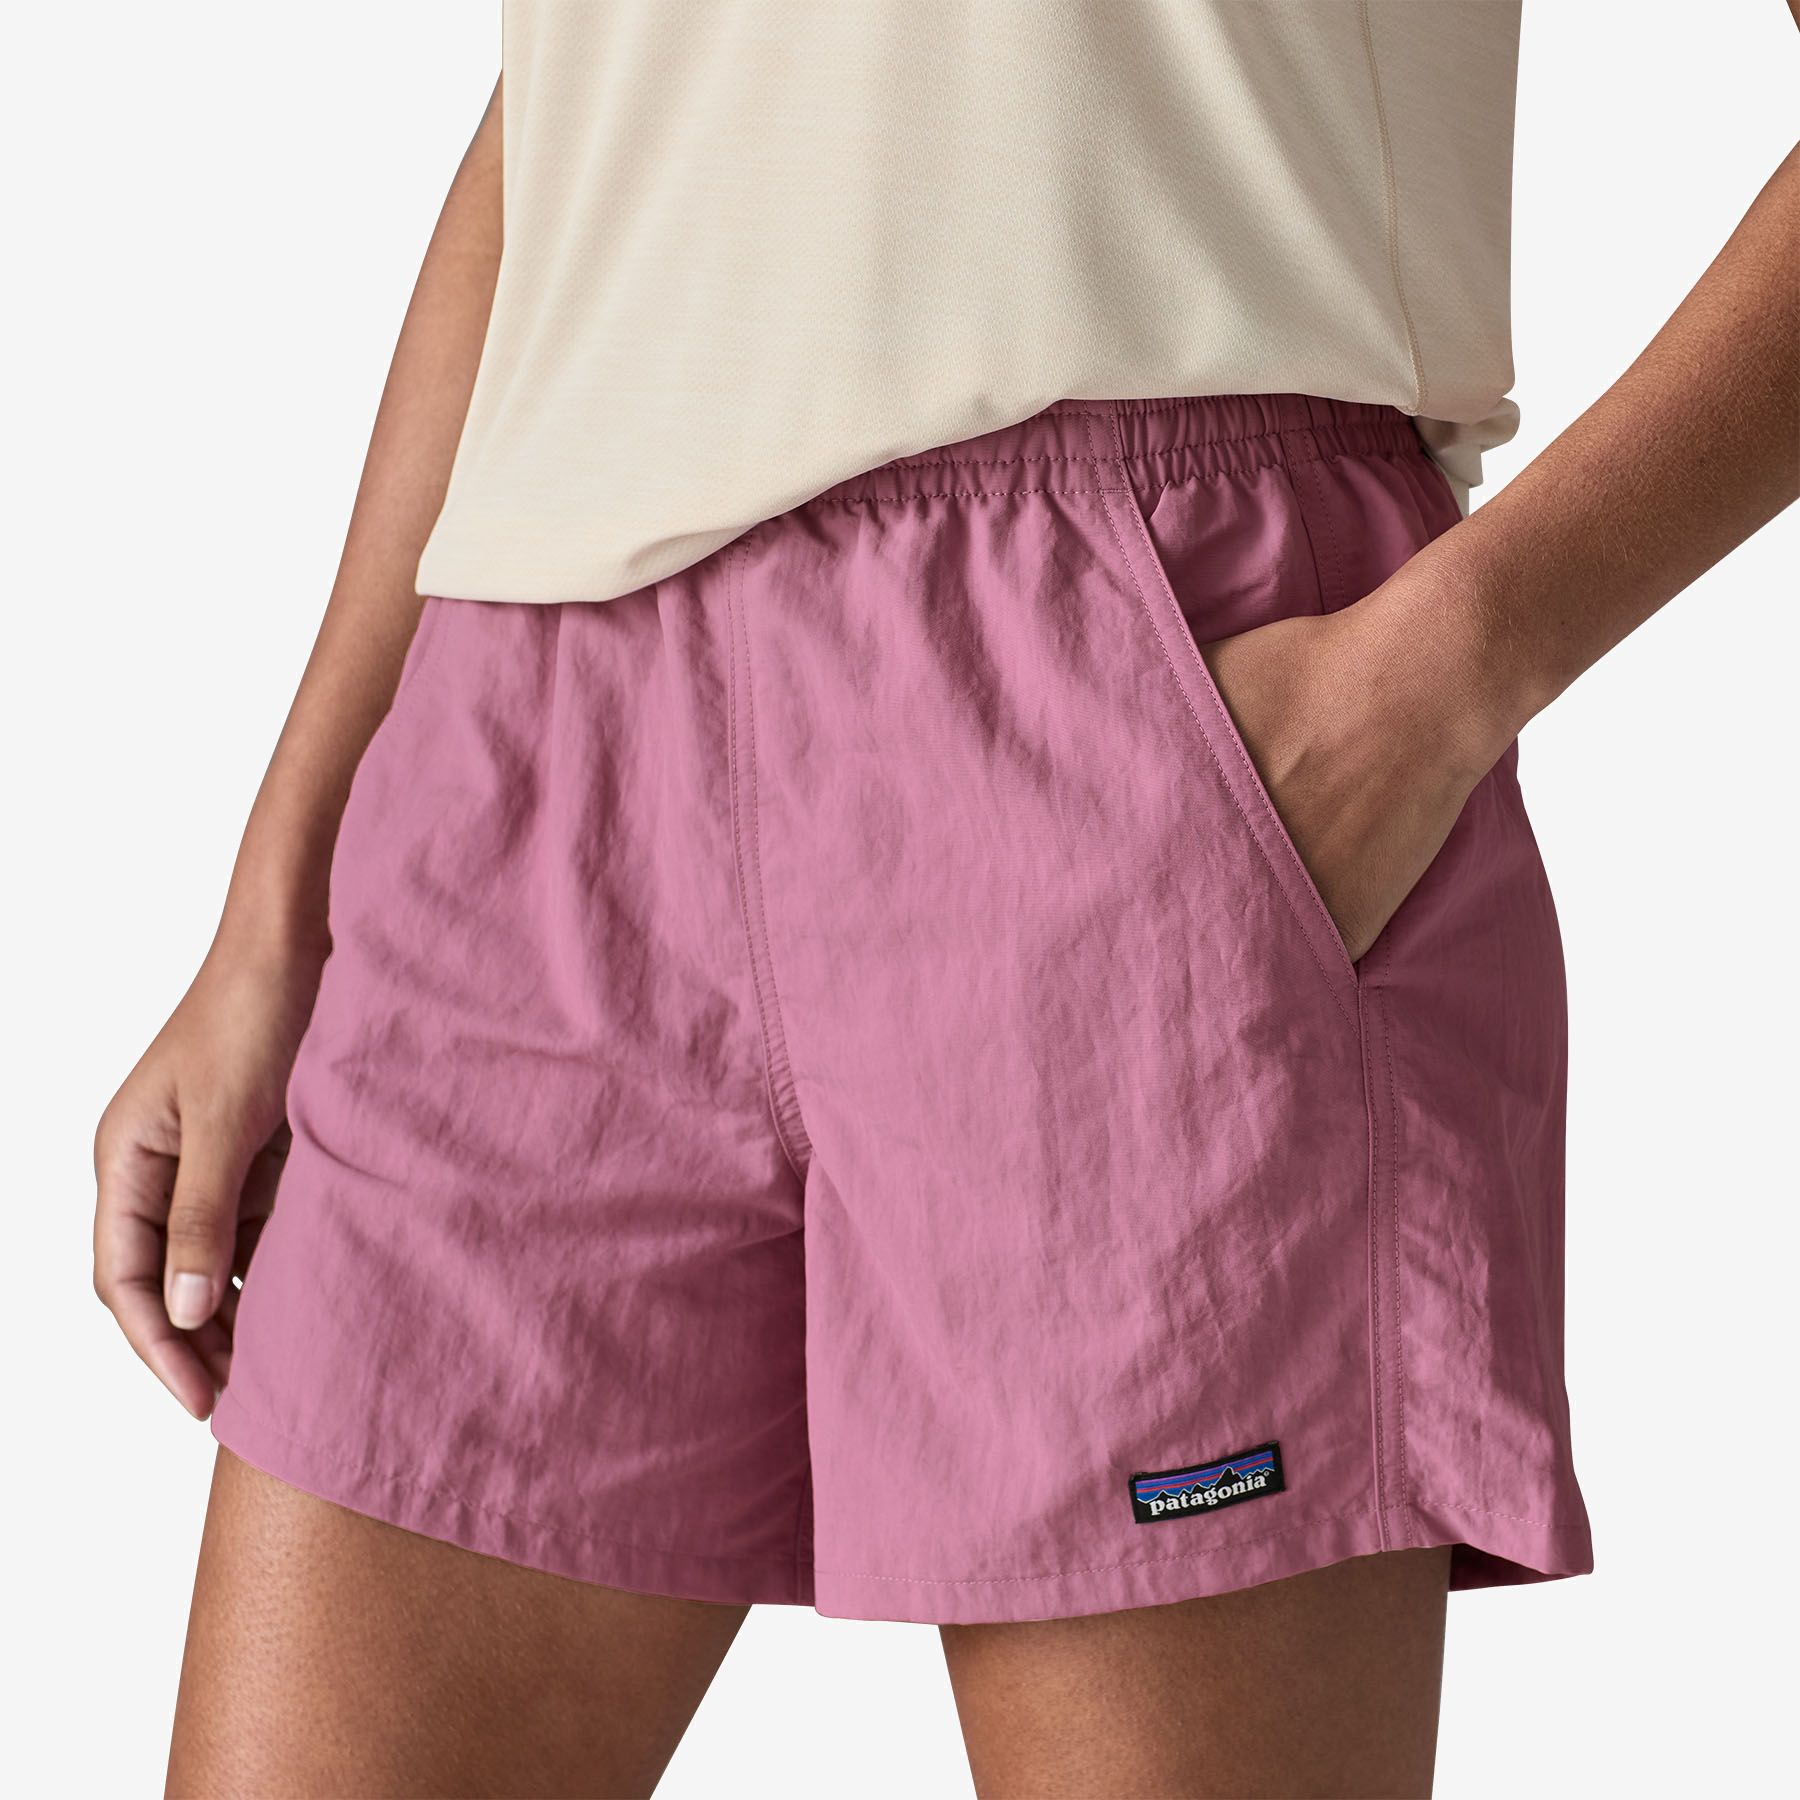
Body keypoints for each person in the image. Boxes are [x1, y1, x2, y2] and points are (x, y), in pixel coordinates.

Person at [92, 5, 1797, 1795]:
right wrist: (283, 894)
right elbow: (585, 120)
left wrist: (1450, 667)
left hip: (1128, 685)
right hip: (537, 767)